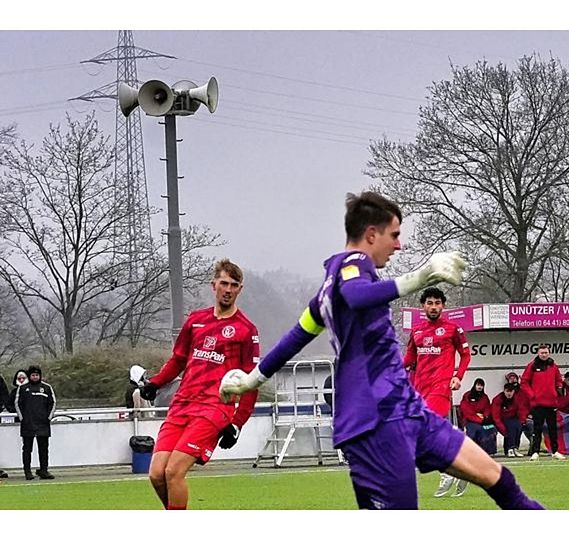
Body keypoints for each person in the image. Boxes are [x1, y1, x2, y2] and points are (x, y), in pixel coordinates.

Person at [219, 191, 542, 510]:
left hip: (408, 411)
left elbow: (295, 337)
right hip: (375, 423)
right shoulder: (353, 265)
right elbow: (358, 295)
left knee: (500, 480)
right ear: (372, 234)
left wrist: (251, 381)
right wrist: (420, 276)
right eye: (395, 235)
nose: (399, 245)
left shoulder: (326, 292)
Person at [138, 259, 260, 510]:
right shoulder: (195, 321)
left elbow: (251, 381)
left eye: (234, 285)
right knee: (156, 474)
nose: (228, 289)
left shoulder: (246, 330)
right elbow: (179, 360)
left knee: (173, 472)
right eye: (224, 283)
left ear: (240, 290)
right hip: (182, 404)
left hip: (214, 409)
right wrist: (156, 383)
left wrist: (236, 424)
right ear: (213, 285)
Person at [402, 286, 473, 496]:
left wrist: (457, 377)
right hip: (420, 390)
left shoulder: (453, 329)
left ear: (443, 305)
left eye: (437, 303)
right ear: (423, 306)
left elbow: (466, 355)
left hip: (441, 387)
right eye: (430, 303)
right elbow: (409, 359)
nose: (434, 307)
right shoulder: (417, 331)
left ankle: (447, 471)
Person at [521, 344, 565, 461]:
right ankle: (535, 452)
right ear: (538, 353)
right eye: (542, 353)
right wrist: (532, 395)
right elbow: (524, 382)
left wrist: (559, 388)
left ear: (548, 353)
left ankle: (555, 451)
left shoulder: (553, 366)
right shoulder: (532, 366)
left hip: (551, 403)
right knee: (537, 428)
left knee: (552, 429)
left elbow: (559, 380)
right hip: (538, 403)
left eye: (546, 352)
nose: (544, 355)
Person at [14, 366, 56, 480]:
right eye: (33, 375)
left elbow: (52, 403)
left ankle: (44, 470)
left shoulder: (47, 388)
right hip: (28, 424)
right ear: (29, 376)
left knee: (44, 448)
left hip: (43, 423)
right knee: (27, 448)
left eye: (37, 375)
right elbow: (17, 403)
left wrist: (48, 417)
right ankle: (27, 471)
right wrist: (23, 418)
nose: (35, 377)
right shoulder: (23, 388)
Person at [454, 378, 495, 496]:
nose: (479, 387)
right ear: (474, 385)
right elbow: (466, 411)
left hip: (482, 422)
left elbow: (487, 409)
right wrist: (478, 418)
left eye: (481, 385)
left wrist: (484, 417)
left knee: (489, 431)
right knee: (472, 432)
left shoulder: (485, 397)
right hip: (470, 422)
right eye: (478, 385)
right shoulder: (467, 396)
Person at [491, 383, 527, 457]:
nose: (509, 394)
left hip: (513, 418)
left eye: (511, 391)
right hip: (501, 420)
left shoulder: (516, 399)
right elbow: (496, 416)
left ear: (514, 391)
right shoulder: (498, 399)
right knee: (511, 426)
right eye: (507, 391)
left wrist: (522, 421)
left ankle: (515, 448)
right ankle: (510, 449)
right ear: (504, 391)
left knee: (518, 425)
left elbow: (521, 410)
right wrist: (502, 428)